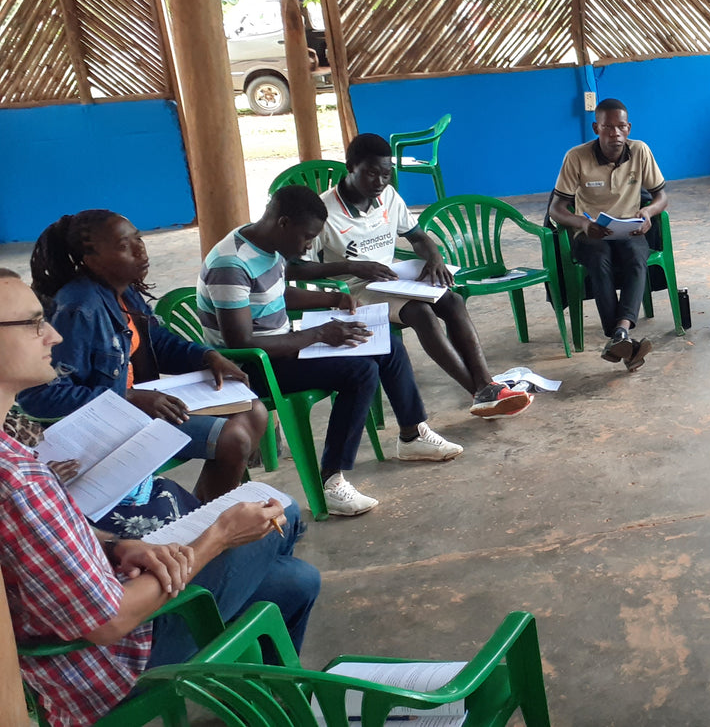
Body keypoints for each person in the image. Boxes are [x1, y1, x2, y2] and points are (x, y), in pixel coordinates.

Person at [0, 267, 319, 727]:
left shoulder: (12, 452)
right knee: (280, 516)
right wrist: (218, 537)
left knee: (296, 581)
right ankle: (244, 681)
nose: (52, 335)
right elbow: (107, 623)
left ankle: (257, 705)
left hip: (81, 627)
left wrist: (116, 545)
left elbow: (38, 547)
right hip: (100, 667)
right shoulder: (19, 479)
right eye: (34, 323)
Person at [199, 185, 464, 517]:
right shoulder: (231, 263)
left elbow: (276, 295)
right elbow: (241, 342)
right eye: (308, 237)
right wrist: (319, 334)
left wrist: (333, 299)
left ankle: (412, 436)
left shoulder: (268, 246)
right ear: (283, 223)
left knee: (386, 343)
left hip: (281, 346)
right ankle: (331, 481)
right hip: (250, 368)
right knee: (359, 373)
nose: (310, 246)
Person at [18, 210, 268, 502]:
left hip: (138, 405)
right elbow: (39, 396)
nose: (140, 250)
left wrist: (207, 357)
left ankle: (205, 506)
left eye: (138, 239)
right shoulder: (79, 310)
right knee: (233, 439)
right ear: (91, 261)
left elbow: (157, 342)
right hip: (103, 424)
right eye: (124, 246)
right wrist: (128, 398)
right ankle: (209, 518)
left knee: (254, 411)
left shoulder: (124, 292)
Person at [289, 134, 530, 418]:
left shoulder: (388, 196)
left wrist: (435, 258)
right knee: (420, 312)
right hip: (354, 288)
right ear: (351, 167)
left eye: (386, 174)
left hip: (391, 277)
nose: (380, 182)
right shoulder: (325, 211)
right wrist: (352, 267)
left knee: (452, 301)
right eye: (371, 173)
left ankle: (486, 384)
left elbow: (417, 237)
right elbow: (294, 267)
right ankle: (480, 392)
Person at [548, 98, 667, 371]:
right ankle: (621, 337)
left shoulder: (640, 151)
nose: (615, 133)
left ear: (628, 128)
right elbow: (556, 208)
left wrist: (648, 212)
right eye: (608, 127)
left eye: (621, 127)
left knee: (637, 257)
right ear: (596, 128)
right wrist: (582, 223)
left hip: (629, 228)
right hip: (592, 232)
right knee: (599, 258)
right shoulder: (576, 157)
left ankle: (620, 332)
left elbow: (661, 196)